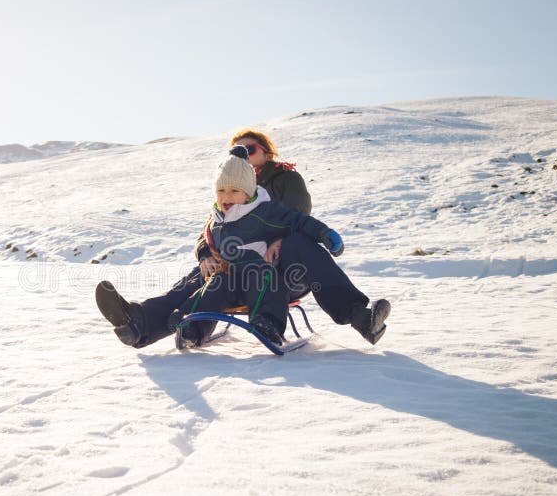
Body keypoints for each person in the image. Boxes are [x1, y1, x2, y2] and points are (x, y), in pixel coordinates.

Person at [96, 130, 391, 346]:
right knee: (198, 278)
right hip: (236, 269)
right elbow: (208, 230)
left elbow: (298, 217)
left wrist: (287, 237)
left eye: (250, 149)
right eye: (238, 150)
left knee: (301, 245)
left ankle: (359, 317)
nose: (244, 154)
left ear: (265, 151)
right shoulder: (226, 194)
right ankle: (138, 323)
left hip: (282, 268)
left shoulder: (284, 180)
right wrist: (205, 255)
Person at [167, 145, 349, 347]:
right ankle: (191, 325)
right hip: (231, 276)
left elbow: (299, 221)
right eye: (221, 190)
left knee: (265, 279)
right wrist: (204, 253)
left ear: (247, 193)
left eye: (234, 190)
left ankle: (267, 324)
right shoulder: (217, 218)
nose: (226, 196)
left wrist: (324, 233)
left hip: (261, 269)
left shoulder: (264, 211)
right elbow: (205, 237)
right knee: (215, 286)